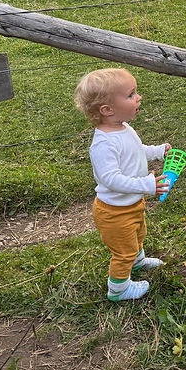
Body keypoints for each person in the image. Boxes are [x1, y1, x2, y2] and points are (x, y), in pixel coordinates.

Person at [74, 68, 170, 301]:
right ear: (107, 110)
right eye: (130, 95)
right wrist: (147, 185)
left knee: (137, 235)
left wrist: (156, 152)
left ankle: (137, 263)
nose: (139, 98)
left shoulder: (124, 128)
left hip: (132, 204)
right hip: (114, 212)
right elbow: (111, 179)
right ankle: (119, 290)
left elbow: (136, 151)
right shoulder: (103, 144)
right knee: (123, 251)